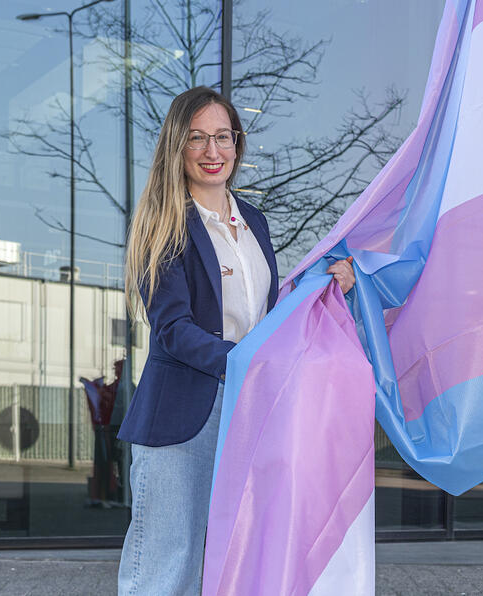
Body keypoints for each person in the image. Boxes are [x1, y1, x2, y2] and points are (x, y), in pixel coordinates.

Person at [117, 86, 355, 595]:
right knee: (166, 566)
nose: (212, 151)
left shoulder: (255, 223)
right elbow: (173, 330)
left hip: (248, 411)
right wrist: (247, 362)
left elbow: (265, 316)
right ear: (177, 146)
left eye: (222, 136)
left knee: (231, 561)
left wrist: (325, 287)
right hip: (181, 419)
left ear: (237, 142)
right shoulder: (165, 223)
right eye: (197, 138)